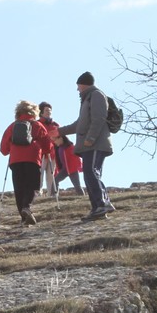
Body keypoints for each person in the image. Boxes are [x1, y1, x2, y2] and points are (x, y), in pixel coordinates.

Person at [57, 71, 114, 221]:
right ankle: (98, 208)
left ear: (84, 84)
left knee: (91, 172)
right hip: (89, 145)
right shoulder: (87, 98)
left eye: (78, 86)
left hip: (95, 144)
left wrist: (91, 138)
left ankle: (102, 204)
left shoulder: (96, 95)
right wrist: (59, 131)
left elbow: (99, 118)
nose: (77, 89)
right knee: (90, 174)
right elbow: (79, 124)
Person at [0, 100, 52, 227]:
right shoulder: (37, 125)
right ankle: (27, 207)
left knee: (19, 189)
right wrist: (45, 151)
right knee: (33, 186)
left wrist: (10, 149)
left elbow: (3, 149)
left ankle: (24, 219)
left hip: (15, 160)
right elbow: (47, 145)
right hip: (32, 159)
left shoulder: (12, 126)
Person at [37, 101, 60, 198]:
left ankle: (52, 194)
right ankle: (38, 194)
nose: (49, 112)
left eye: (50, 110)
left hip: (52, 153)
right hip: (40, 154)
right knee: (39, 175)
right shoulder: (37, 124)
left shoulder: (55, 125)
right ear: (41, 112)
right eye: (46, 110)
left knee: (51, 175)